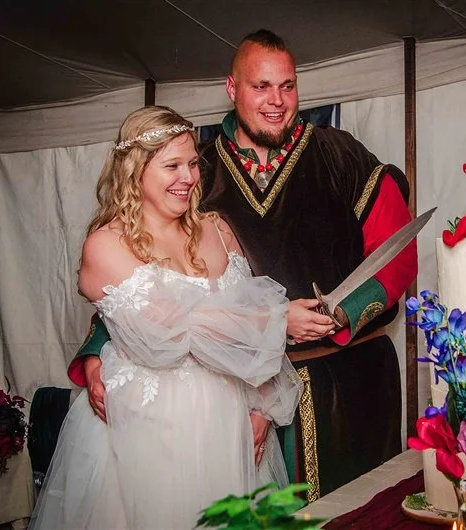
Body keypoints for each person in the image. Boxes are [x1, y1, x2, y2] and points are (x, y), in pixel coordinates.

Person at [70, 29, 417, 501]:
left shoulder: (339, 154)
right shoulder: (198, 168)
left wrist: (342, 314)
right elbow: (142, 287)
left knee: (360, 511)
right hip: (243, 390)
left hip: (350, 382)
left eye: (288, 86)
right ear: (232, 89)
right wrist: (96, 356)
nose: (277, 101)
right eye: (261, 87)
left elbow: (396, 248)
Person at [31, 106, 302, 530]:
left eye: (193, 163)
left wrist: (263, 410)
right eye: (172, 165)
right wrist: (279, 319)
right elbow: (179, 330)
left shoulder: (217, 229)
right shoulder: (106, 246)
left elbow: (251, 334)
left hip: (233, 420)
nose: (190, 177)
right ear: (135, 171)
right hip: (150, 432)